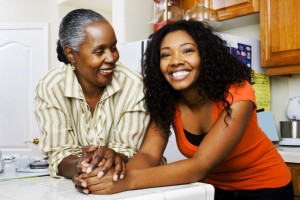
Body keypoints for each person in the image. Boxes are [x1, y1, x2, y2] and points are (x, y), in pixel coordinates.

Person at [79, 20, 294, 200]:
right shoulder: (168, 101)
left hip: (266, 188)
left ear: (205, 56)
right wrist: (109, 175)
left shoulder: (238, 93)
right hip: (210, 190)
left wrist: (128, 182)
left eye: (187, 50)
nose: (176, 61)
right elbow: (148, 155)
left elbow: (200, 165)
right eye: (165, 55)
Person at [34, 8, 151, 184]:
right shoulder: (51, 87)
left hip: (131, 186)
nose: (111, 58)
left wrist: (109, 157)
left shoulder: (134, 85)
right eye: (99, 51)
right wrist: (81, 165)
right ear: (71, 54)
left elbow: (128, 150)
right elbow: (60, 153)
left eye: (113, 48)